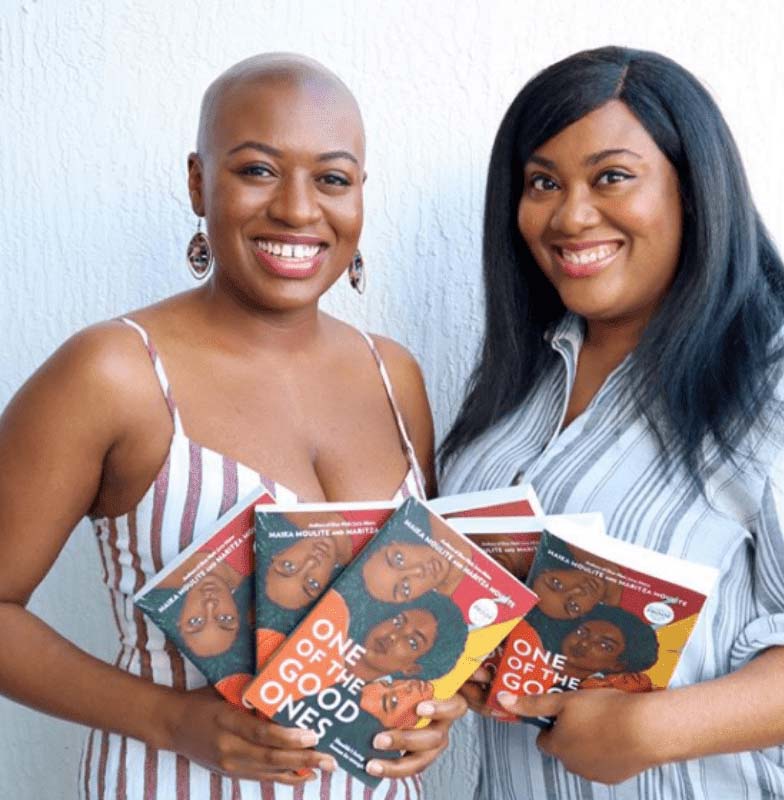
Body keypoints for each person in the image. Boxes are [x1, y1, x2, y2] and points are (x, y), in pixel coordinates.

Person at [0, 53, 466, 798]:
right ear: (198, 181)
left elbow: (421, 603)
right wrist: (170, 720)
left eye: (333, 179)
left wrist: (440, 709)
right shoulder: (114, 372)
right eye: (258, 170)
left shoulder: (393, 375)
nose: (298, 210)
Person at [440, 46, 784, 797]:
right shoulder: (517, 387)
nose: (570, 215)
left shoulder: (778, 379)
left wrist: (653, 730)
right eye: (542, 182)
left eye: (611, 176)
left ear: (693, 193)